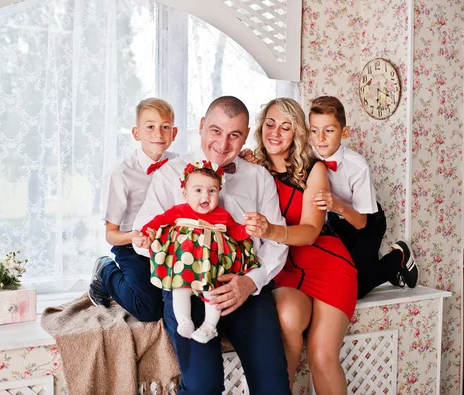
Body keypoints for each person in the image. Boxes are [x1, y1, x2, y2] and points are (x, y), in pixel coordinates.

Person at [132, 96, 291, 394]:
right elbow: (143, 230)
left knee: (274, 388)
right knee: (203, 389)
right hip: (187, 288)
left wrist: (249, 282)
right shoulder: (170, 173)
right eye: (216, 131)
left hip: (245, 288)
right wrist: (149, 241)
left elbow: (276, 241)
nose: (223, 143)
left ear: (245, 137)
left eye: (234, 135)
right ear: (202, 126)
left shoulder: (259, 177)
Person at [243, 97, 357, 394]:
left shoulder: (314, 169)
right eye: (270, 124)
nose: (275, 133)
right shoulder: (251, 167)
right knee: (286, 318)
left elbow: (309, 231)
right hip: (285, 270)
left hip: (328, 267)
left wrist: (270, 230)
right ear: (260, 127)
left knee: (322, 356)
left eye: (286, 126)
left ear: (297, 133)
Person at [135, 160, 259, 344]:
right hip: (184, 265)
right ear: (185, 194)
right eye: (198, 190)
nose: (205, 196)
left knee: (214, 292)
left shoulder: (222, 215)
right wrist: (145, 233)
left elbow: (234, 232)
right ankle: (184, 321)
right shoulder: (178, 211)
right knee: (179, 288)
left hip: (209, 268)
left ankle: (209, 326)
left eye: (212, 191)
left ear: (219, 192)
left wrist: (247, 230)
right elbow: (157, 222)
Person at [309, 96, 418, 299]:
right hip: (337, 223)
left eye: (329, 130)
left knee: (355, 287)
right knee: (336, 276)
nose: (320, 138)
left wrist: (338, 206)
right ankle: (373, 265)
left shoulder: (357, 165)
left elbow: (361, 222)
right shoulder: (308, 157)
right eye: (314, 130)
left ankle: (398, 258)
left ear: (345, 132)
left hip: (368, 222)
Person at [88, 98, 178, 322]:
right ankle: (105, 270)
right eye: (150, 127)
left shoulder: (179, 164)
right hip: (131, 244)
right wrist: (134, 237)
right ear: (137, 133)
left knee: (176, 302)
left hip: (168, 244)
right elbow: (111, 233)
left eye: (165, 127)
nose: (158, 133)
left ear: (174, 133)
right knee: (148, 309)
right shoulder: (121, 173)